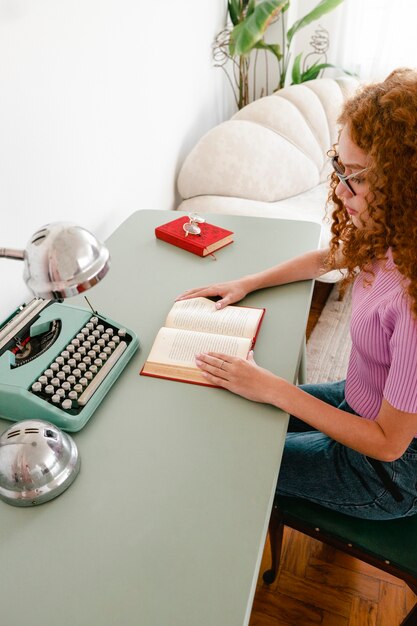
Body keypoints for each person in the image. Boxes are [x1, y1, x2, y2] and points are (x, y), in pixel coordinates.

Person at [176, 68, 417, 520]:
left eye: (357, 178)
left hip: (388, 473)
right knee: (245, 420)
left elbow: (388, 443)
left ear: (403, 184)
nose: (342, 189)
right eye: (339, 168)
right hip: (360, 399)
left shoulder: (413, 301)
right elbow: (330, 257)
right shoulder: (393, 235)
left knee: (233, 456)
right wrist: (246, 282)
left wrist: (276, 389)